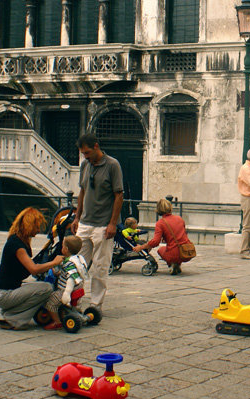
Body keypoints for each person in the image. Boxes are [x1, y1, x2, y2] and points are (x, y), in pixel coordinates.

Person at [71, 133, 124, 312]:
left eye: (86, 152)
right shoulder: (85, 165)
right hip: (85, 222)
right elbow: (82, 191)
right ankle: (74, 301)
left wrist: (113, 223)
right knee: (77, 264)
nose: (85, 156)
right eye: (82, 153)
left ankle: (95, 305)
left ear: (96, 146)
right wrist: (77, 217)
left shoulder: (112, 165)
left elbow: (119, 195)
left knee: (100, 267)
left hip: (103, 224)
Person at [0, 207, 63, 330]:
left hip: (6, 291)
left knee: (40, 287)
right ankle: (14, 318)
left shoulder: (19, 240)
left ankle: (12, 314)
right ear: (29, 225)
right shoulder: (17, 245)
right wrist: (54, 262)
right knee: (46, 288)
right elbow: (33, 269)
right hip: (3, 294)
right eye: (37, 226)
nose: (38, 230)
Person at [133, 198, 193, 275]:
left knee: (161, 250)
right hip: (187, 252)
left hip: (174, 253)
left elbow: (155, 242)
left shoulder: (160, 223)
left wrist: (141, 247)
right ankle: (177, 264)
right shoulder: (179, 219)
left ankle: (172, 264)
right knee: (174, 249)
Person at [42, 235, 88, 330]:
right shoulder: (78, 259)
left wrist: (66, 293)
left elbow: (71, 278)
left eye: (62, 246)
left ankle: (57, 322)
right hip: (78, 287)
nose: (61, 248)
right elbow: (66, 273)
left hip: (66, 289)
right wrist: (57, 272)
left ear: (66, 249)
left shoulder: (69, 263)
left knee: (50, 303)